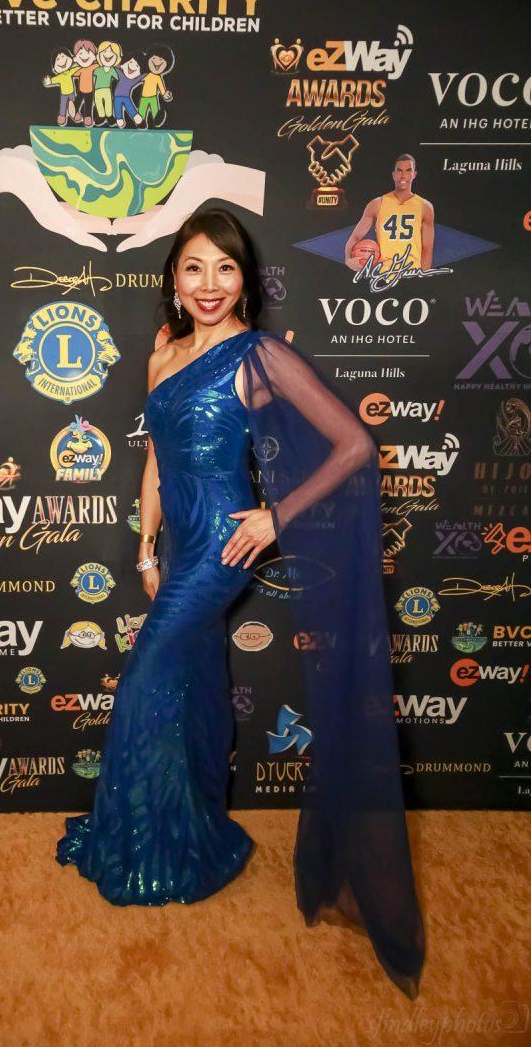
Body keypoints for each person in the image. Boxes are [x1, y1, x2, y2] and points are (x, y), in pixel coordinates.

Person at [56, 207, 426, 999]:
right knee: (185, 687)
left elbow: (355, 446)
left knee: (144, 685)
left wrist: (274, 517)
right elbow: (155, 462)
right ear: (174, 278)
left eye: (225, 268)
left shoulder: (258, 357)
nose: (210, 284)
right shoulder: (163, 354)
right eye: (194, 267)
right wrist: (145, 550)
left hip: (222, 551)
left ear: (245, 279)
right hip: (177, 549)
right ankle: (187, 825)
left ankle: (162, 849)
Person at [344, 154, 434, 270]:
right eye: (399, 171)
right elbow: (355, 237)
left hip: (412, 272)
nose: (403, 175)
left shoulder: (425, 207)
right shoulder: (377, 204)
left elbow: (427, 249)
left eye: (408, 170)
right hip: (384, 273)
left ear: (414, 174)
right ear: (393, 174)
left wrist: (423, 277)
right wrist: (348, 259)